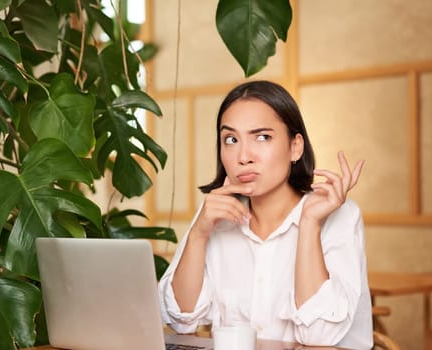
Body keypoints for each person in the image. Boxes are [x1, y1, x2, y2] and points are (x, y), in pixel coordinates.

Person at [157, 80, 373, 349]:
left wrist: (309, 224)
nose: (244, 156)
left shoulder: (340, 216)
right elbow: (181, 321)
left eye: (262, 137)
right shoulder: (214, 213)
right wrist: (199, 234)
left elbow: (319, 336)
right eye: (231, 139)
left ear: (295, 147)